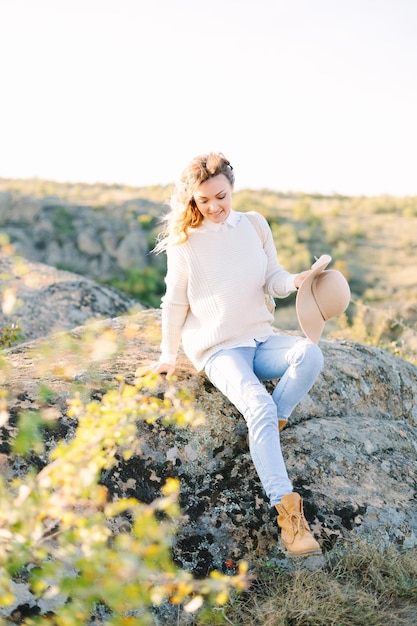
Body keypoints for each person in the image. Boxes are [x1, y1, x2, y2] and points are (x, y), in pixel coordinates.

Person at [150, 152, 324, 557]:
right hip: (219, 349)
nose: (214, 207)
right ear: (191, 200)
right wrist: (167, 354)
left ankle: (271, 428)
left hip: (260, 339)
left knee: (310, 355)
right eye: (203, 200)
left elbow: (272, 278)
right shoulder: (185, 243)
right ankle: (290, 519)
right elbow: (174, 303)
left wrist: (296, 280)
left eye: (221, 197)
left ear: (232, 188)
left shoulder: (255, 224)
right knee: (257, 406)